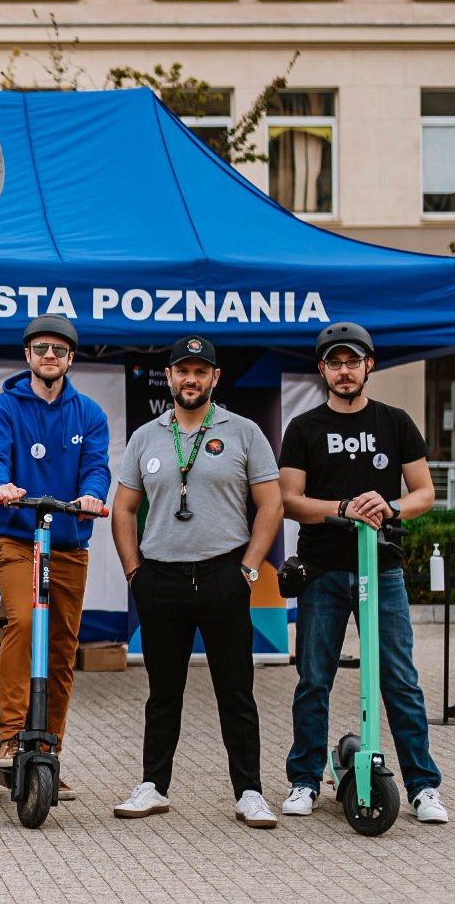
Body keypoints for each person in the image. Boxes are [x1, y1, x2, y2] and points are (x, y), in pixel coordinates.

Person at [279, 322, 448, 824]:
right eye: (335, 362)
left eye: (353, 361)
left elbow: (425, 493)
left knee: (400, 680)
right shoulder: (304, 427)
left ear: (369, 365)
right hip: (322, 570)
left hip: (384, 569)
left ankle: (422, 787)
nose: (345, 370)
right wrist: (344, 507)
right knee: (314, 679)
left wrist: (390, 505)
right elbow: (290, 500)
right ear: (323, 370)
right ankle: (305, 781)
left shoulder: (395, 421)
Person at [111, 335, 282, 829]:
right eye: (182, 371)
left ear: (214, 378)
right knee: (163, 692)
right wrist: (133, 573)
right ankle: (153, 786)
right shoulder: (145, 437)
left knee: (236, 691)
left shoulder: (245, 432)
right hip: (159, 578)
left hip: (222, 574)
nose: (191, 379)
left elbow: (271, 505)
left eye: (200, 371)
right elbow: (122, 510)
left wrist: (248, 569)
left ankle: (249, 791)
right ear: (169, 377)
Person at [0, 315, 109, 802]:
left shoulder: (89, 413)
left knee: (61, 643)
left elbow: (96, 468)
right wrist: (2, 485)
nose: (49, 355)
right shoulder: (5, 408)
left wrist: (93, 496)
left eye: (58, 349)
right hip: (17, 537)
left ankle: (48, 748)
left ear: (71, 358)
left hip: (69, 541)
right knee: (22, 622)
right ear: (29, 356)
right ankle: (12, 738)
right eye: (41, 348)